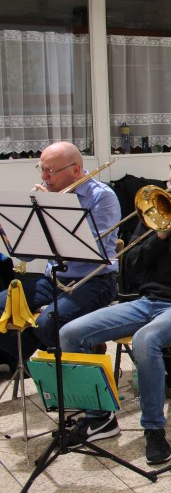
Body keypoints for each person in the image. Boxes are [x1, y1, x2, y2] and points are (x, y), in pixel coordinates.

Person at [60, 141, 171, 465]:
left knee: (145, 340)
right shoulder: (156, 208)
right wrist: (160, 235)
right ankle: (100, 418)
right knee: (70, 333)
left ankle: (154, 429)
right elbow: (133, 265)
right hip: (148, 301)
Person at [0, 142, 119, 370]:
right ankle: (36, 360)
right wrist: (11, 232)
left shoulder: (102, 196)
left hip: (95, 281)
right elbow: (27, 257)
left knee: (47, 324)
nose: (44, 177)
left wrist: (53, 209)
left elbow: (93, 250)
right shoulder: (45, 195)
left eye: (51, 171)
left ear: (75, 170)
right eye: (42, 169)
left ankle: (76, 353)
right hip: (54, 279)